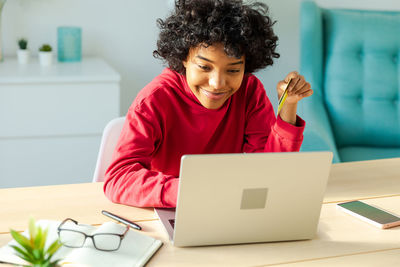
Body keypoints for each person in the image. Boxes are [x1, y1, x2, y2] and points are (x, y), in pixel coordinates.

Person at [104, 0, 313, 208]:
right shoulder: (154, 100)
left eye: (232, 70)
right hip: (174, 208)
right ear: (183, 58)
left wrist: (288, 106)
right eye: (205, 67)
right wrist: (192, 192)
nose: (217, 84)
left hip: (227, 205)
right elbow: (118, 179)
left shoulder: (249, 91)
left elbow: (269, 173)